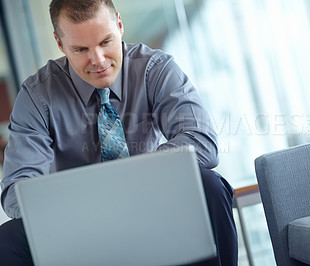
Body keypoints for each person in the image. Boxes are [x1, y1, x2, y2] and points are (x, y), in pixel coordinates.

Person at [0, 0, 238, 265]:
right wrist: (92, 203)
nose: (98, 61)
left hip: (155, 200)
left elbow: (202, 142)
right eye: (80, 49)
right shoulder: (36, 96)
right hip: (79, 224)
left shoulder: (154, 69)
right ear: (60, 44)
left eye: (105, 42)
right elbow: (15, 191)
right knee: (8, 239)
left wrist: (128, 184)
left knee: (210, 185)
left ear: (120, 26)